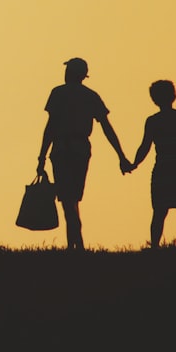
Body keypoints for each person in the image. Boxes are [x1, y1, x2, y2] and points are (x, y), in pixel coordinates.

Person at [36, 57, 131, 250]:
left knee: (68, 199)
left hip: (62, 149)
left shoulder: (58, 93)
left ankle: (75, 244)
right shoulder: (91, 96)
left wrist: (42, 157)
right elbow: (107, 128)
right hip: (80, 150)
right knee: (72, 198)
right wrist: (121, 156)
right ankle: (76, 244)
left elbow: (50, 128)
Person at [130, 80, 176, 249]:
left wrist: (133, 164)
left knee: (160, 211)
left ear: (154, 99)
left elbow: (145, 147)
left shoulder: (153, 121)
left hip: (164, 171)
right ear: (173, 96)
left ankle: (155, 246)